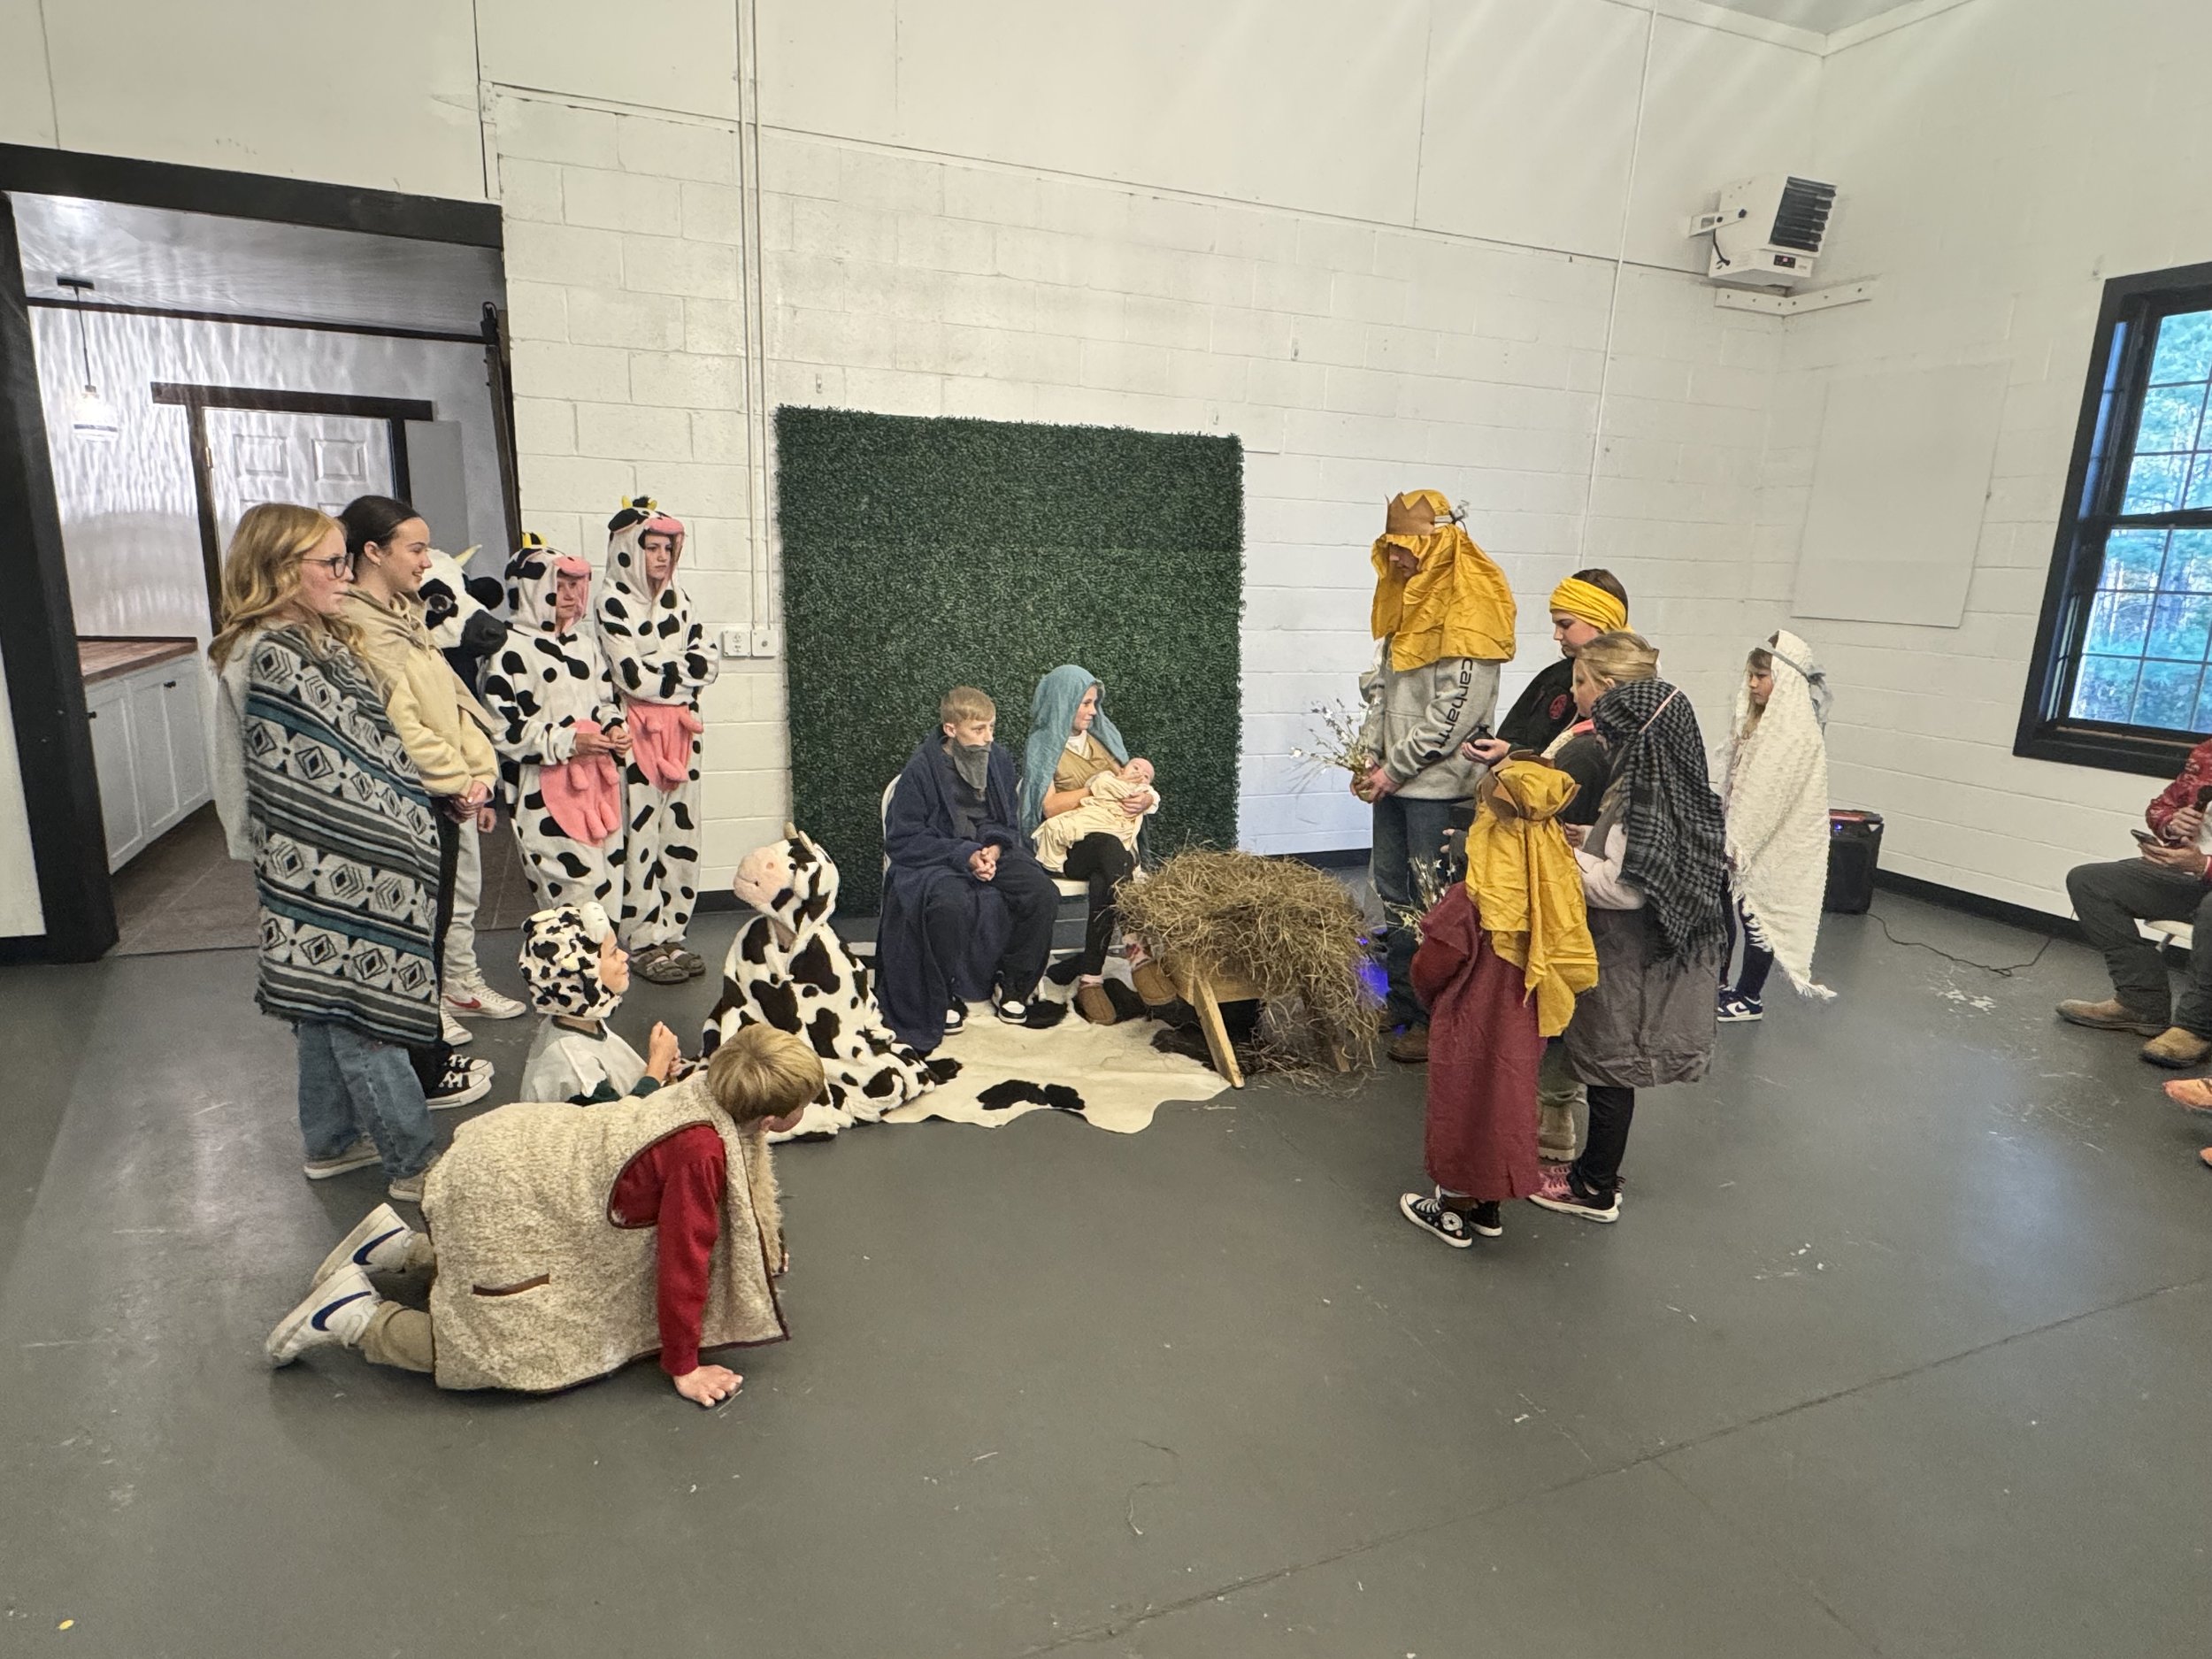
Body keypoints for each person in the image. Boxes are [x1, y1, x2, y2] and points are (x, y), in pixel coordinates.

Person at [265, 1024, 821, 1409]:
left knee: (508, 1263)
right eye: (803, 1105)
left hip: (517, 1151)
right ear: (769, 1118)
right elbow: (685, 1259)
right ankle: (356, 1315)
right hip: (504, 1186)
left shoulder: (707, 1086)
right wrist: (684, 1364)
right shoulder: (701, 1152)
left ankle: (396, 1248)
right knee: (504, 1351)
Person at [207, 504, 445, 1203]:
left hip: (330, 860)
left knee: (324, 1001)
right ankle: (413, 1161)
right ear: (281, 570)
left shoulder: (318, 639)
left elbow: (368, 747)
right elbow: (301, 777)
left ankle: (331, 1140)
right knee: (362, 1008)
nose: (345, 574)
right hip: (327, 862)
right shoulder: (271, 655)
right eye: (331, 563)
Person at [1531, 634, 1729, 1223]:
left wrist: (1559, 860)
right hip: (1635, 954)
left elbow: (1624, 887)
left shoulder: (1645, 795)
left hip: (1628, 954)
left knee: (1612, 1068)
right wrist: (1587, 842)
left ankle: (1595, 1186)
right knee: (1610, 1065)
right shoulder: (1667, 782)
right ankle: (1595, 1173)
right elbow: (1627, 855)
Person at [337, 495, 499, 1104]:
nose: (427, 560)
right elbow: (401, 725)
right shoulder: (362, 630)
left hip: (443, 796)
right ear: (373, 552)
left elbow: (455, 704)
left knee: (432, 933)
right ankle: (423, 1073)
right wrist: (456, 780)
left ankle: (429, 1058)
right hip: (410, 802)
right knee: (411, 941)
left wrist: (478, 773)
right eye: (416, 548)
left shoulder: (407, 617)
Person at [1398, 758, 1596, 1247]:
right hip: (1525, 1021)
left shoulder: (1471, 898)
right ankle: (1489, 1204)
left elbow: (1433, 965)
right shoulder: (1556, 896)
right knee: (1508, 1104)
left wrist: (1426, 996)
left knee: (1462, 1104)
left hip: (1468, 1022)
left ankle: (1451, 1209)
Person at [1356, 491, 1517, 1065]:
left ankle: (1434, 1016)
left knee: (1433, 903)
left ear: (1438, 544)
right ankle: (1402, 1002)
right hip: (1395, 783)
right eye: (1390, 549)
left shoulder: (1470, 611)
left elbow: (1455, 713)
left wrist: (1394, 769)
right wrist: (1366, 755)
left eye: (1405, 549)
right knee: (1393, 894)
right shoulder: (1408, 602)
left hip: (1437, 787)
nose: (1395, 560)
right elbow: (1382, 691)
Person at [879, 687, 1062, 1053]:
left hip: (989, 850)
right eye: (979, 729)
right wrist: (965, 855)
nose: (988, 737)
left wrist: (993, 848)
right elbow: (904, 839)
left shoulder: (998, 760)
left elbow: (1006, 822)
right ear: (951, 729)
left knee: (1042, 893)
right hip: (938, 856)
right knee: (950, 904)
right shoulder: (920, 771)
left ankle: (1012, 983)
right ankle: (941, 992)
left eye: (991, 727)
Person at [598, 497, 718, 985]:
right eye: (652, 547)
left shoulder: (681, 601)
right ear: (629, 549)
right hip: (637, 739)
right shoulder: (611, 602)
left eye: (669, 548)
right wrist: (679, 674)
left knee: (681, 836)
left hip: (683, 735)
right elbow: (631, 678)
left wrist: (663, 675)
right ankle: (643, 938)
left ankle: (673, 932)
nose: (662, 557)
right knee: (641, 840)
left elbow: (708, 663)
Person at [480, 534, 630, 914]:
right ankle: (575, 954)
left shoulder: (584, 644)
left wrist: (614, 728)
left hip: (598, 784)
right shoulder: (507, 648)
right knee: (573, 892)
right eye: (558, 585)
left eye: (575, 586)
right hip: (541, 790)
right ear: (531, 588)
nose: (569, 595)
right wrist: (569, 742)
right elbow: (501, 729)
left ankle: (603, 953)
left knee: (607, 885)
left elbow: (605, 702)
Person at [418, 544, 528, 1025]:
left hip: (461, 791)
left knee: (464, 890)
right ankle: (426, 998)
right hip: (422, 791)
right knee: (428, 897)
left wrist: (481, 787)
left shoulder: (454, 660)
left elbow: (469, 719)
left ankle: (459, 982)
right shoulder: (397, 653)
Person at [2059, 736, 2212, 1068]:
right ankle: (2141, 1002)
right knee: (2090, 881)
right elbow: (2161, 806)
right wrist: (2170, 824)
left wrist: (2203, 865)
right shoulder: (2207, 753)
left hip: (2203, 874)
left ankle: (2196, 1027)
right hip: (2191, 876)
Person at [1021, 664, 1156, 1025]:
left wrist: (1143, 798)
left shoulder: (1102, 739)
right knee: (1111, 852)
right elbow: (1049, 807)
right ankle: (1137, 949)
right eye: (1085, 703)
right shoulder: (1044, 745)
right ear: (1063, 702)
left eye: (1094, 703)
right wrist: (1096, 788)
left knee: (1106, 873)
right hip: (1069, 845)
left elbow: (1132, 780)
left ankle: (1091, 979)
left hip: (1109, 841)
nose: (1093, 711)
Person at [1718, 631, 1837, 1021]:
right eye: (1750, 676)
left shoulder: (1794, 734)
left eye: (1761, 676)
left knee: (1761, 921)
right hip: (1742, 839)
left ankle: (1749, 997)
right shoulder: (1760, 725)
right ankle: (1722, 984)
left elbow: (1771, 796)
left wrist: (1740, 843)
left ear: (1783, 680)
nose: (1752, 684)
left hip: (1773, 844)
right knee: (1732, 911)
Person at [517, 900, 683, 1104]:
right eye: (613, 952)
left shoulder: (585, 1025)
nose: (624, 956)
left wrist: (660, 1068)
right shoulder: (575, 1063)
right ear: (583, 975)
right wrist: (657, 1068)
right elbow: (618, 1121)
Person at [1486, 570, 1631, 756]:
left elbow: (1582, 760)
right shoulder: (1554, 675)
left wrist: (1513, 751)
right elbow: (1510, 734)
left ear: (1602, 623)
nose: (1557, 635)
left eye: (1565, 624)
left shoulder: (1632, 693)